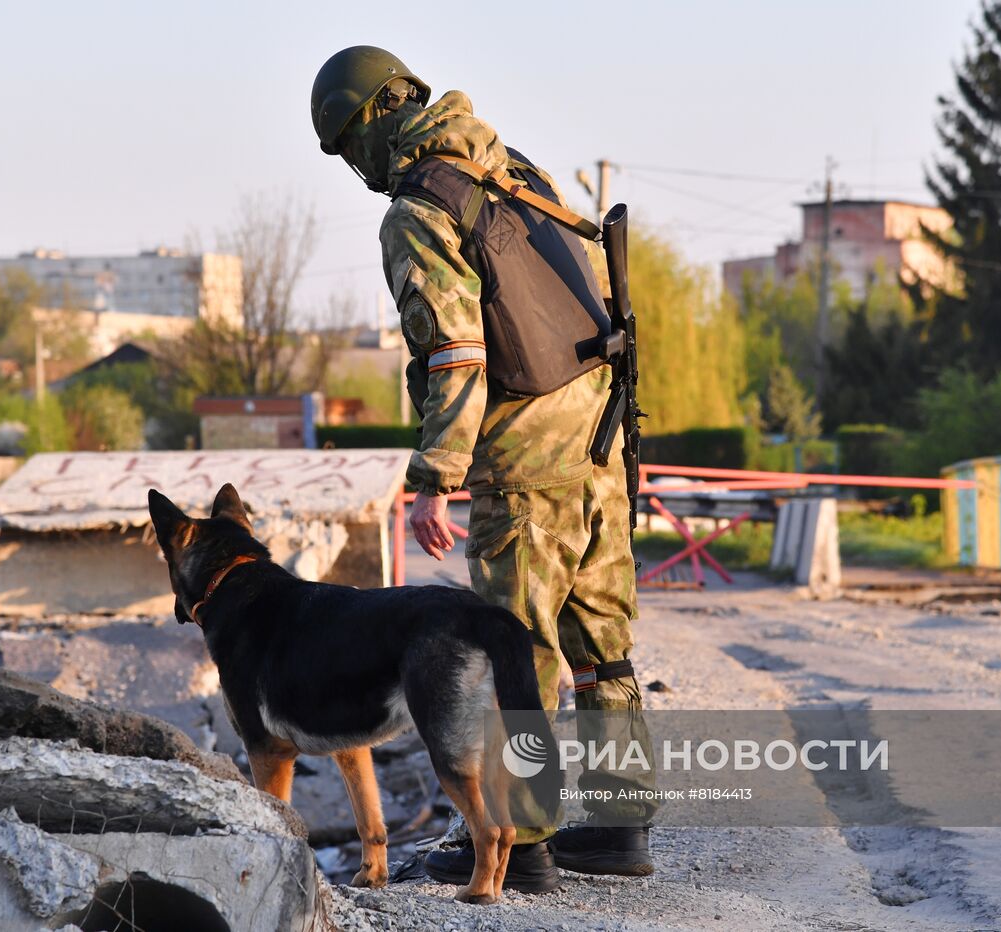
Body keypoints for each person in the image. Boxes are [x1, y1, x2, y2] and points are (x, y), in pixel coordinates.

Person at [311, 46, 658, 893]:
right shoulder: (510, 165)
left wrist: (435, 475)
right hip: (598, 438)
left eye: (346, 147)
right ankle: (619, 831)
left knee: (517, 651)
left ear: (371, 123)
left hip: (527, 459)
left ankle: (524, 842)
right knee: (601, 644)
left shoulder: (419, 209)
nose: (355, 169)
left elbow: (458, 352)